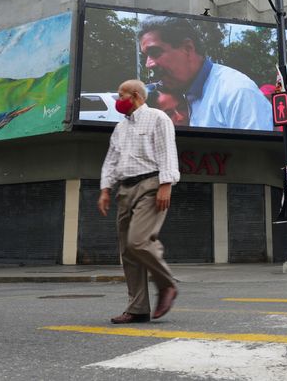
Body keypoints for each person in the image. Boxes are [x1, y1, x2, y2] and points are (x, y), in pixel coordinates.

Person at [98, 79, 181, 324]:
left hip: (151, 185)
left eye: (120, 95)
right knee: (128, 252)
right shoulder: (120, 128)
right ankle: (137, 308)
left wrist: (166, 184)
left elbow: (167, 151)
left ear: (135, 95)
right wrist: (105, 189)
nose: (117, 101)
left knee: (139, 241)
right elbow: (111, 160)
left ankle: (167, 285)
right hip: (125, 189)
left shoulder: (157, 118)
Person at [138, 21, 272, 131]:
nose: (148, 64)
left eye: (155, 53)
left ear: (188, 48)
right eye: (146, 57)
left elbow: (259, 158)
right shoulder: (184, 91)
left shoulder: (236, 92)